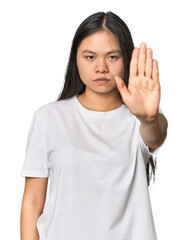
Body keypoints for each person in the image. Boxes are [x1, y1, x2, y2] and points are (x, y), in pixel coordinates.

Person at [20, 11, 168, 240]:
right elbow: (32, 202)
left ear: (126, 59)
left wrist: (148, 118)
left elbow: (155, 134)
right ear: (75, 59)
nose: (101, 68)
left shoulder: (138, 119)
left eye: (112, 57)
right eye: (90, 57)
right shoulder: (48, 118)